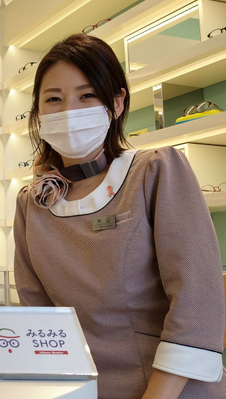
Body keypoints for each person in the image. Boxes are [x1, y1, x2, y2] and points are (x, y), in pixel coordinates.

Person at [14, 33, 225, 398]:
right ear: (38, 112)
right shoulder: (32, 203)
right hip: (79, 388)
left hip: (170, 388)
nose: (69, 111)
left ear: (116, 102)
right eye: (53, 99)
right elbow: (38, 316)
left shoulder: (155, 172)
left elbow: (197, 302)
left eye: (87, 96)